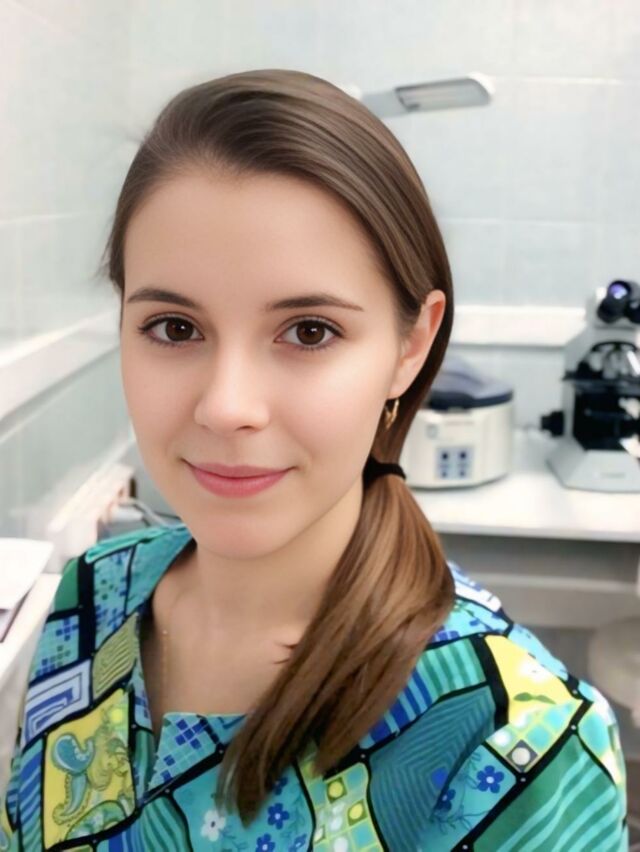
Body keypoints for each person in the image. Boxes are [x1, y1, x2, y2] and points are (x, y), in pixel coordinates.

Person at [0, 69, 628, 851]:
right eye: (174, 328)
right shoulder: (91, 597)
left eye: (309, 332)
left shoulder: (519, 742)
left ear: (410, 345)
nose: (227, 406)